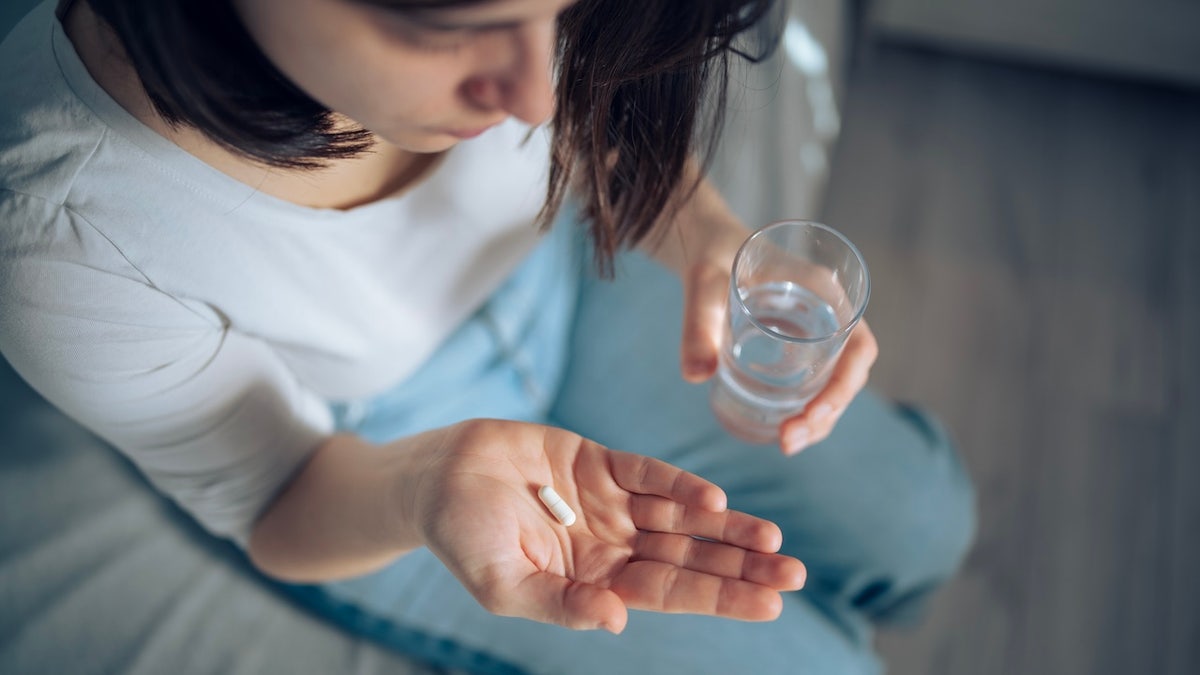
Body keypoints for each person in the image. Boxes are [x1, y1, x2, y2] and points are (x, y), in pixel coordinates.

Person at [0, 0, 976, 673]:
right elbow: (275, 500)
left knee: (923, 517)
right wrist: (428, 483)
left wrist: (706, 231)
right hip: (375, 454)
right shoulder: (66, 233)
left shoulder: (528, 64)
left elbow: (597, 127)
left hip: (566, 280)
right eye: (455, 28)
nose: (537, 96)